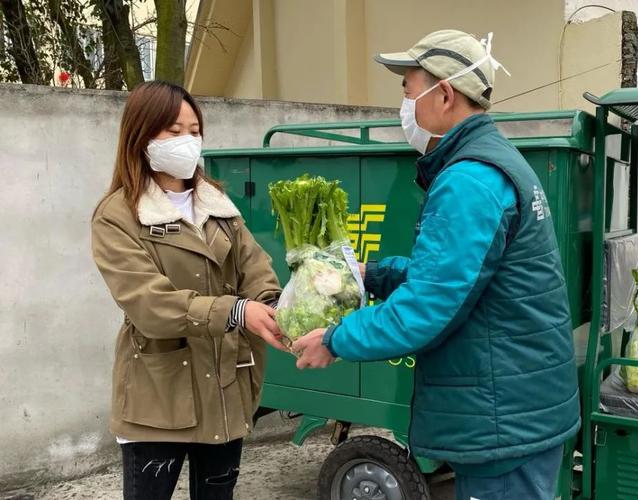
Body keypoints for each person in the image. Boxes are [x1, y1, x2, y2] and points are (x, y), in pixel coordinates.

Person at [293, 30, 580, 499]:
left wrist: (334, 339)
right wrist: (375, 274)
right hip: (517, 406)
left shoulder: (468, 179)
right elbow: (463, 280)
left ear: (443, 94)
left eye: (408, 92)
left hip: (501, 419)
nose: (405, 108)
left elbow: (426, 307)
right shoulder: (493, 163)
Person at [91, 81, 285, 500]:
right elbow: (148, 303)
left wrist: (275, 306)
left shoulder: (215, 203)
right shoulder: (118, 215)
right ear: (141, 136)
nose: (187, 141)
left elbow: (255, 266)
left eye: (194, 130)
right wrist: (235, 312)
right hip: (159, 393)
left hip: (224, 386)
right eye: (173, 131)